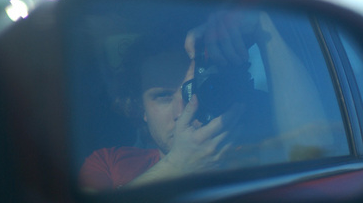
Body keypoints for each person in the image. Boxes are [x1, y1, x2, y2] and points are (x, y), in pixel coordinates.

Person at [79, 10, 266, 190]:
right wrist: (178, 165)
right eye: (163, 96)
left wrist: (260, 25)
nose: (181, 112)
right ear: (141, 108)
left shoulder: (256, 153)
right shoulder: (109, 164)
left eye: (193, 91)